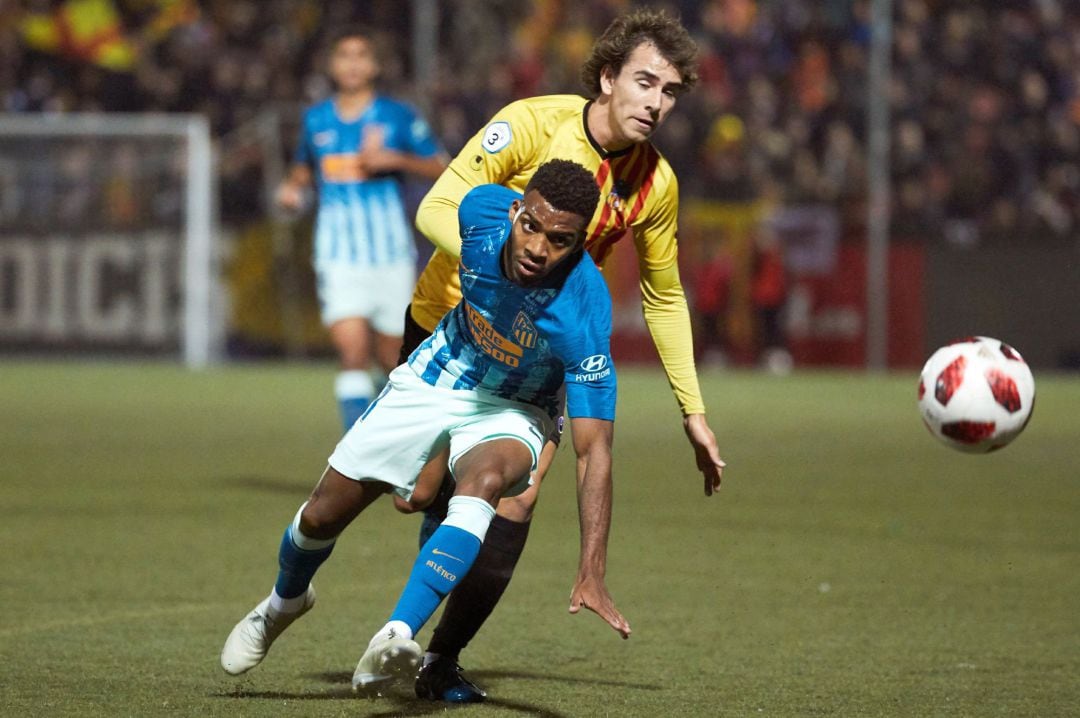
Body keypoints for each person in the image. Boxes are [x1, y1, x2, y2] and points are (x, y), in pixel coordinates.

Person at [397, 9, 727, 703]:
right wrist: (498, 275)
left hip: (532, 358)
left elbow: (664, 298)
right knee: (424, 495)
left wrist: (691, 410)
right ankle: (329, 590)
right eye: (644, 82)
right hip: (445, 325)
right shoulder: (530, 123)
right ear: (607, 77)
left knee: (511, 501)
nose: (655, 103)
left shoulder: (654, 184)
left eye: (668, 92)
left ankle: (436, 659)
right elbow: (437, 208)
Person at [220, 159, 631, 692]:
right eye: (530, 225)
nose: (536, 247)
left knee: (486, 483)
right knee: (321, 517)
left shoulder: (583, 312)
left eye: (559, 239)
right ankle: (283, 603)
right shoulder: (480, 212)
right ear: (514, 209)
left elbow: (593, 451)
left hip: (516, 407)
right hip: (438, 375)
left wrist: (592, 568)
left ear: (578, 244)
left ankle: (397, 634)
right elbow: (438, 219)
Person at [276, 25, 447, 432]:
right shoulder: (316, 119)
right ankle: (358, 450)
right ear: (333, 66)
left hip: (390, 256)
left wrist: (396, 160)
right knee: (351, 351)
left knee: (393, 358)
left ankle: (396, 428)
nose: (352, 64)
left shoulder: (397, 115)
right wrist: (293, 186)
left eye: (361, 55)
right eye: (344, 55)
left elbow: (442, 164)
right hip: (338, 255)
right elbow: (303, 166)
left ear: (373, 65)